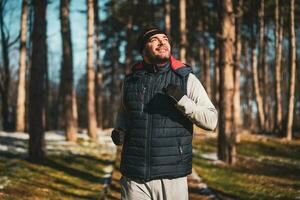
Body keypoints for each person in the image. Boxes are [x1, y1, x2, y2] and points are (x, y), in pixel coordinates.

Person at [111, 27, 218, 200]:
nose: (162, 43)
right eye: (154, 39)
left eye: (165, 39)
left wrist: (182, 101)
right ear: (143, 49)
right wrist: (120, 131)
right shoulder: (130, 81)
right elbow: (123, 115)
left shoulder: (185, 78)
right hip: (134, 176)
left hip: (172, 175)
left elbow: (211, 121)